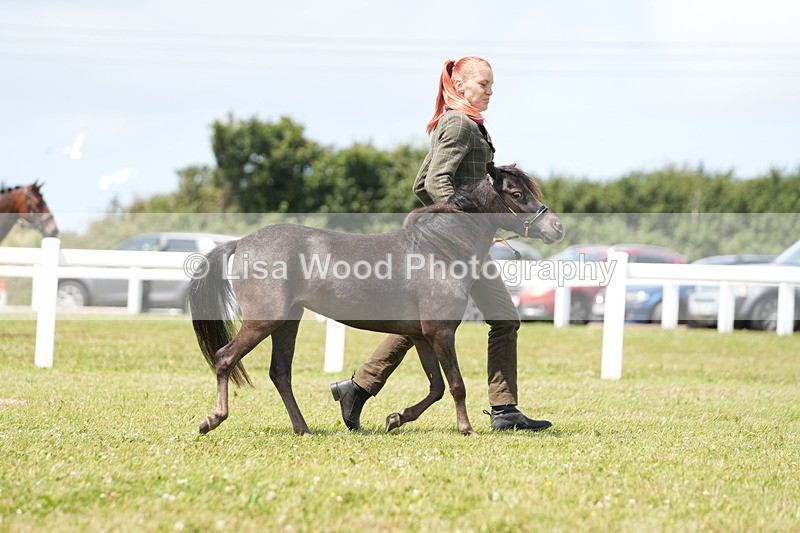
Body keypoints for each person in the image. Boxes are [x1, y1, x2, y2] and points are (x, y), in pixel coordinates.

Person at [331, 56, 551, 432]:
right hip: (457, 247)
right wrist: (463, 226)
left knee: (434, 321)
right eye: (484, 84)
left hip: (467, 248)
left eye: (491, 84)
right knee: (492, 319)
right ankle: (503, 410)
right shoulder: (458, 124)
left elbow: (421, 183)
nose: (490, 91)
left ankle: (359, 387)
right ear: (460, 85)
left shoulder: (466, 125)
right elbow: (435, 182)